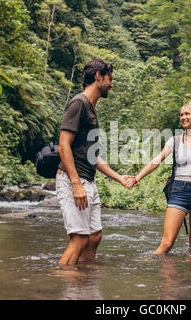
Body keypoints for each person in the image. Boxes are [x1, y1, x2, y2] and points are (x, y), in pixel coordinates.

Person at [56, 58, 136, 267]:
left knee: (94, 237)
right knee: (80, 239)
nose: (112, 84)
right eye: (110, 78)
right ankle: (62, 281)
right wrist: (75, 184)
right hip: (74, 180)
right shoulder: (79, 103)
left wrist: (119, 178)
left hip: (87, 180)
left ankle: (84, 282)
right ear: (98, 76)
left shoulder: (91, 108)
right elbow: (63, 145)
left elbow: (92, 156)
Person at [134, 102, 191, 255]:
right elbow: (156, 161)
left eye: (187, 114)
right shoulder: (175, 141)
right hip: (179, 192)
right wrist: (138, 177)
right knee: (167, 244)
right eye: (181, 115)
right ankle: (145, 265)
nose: (183, 117)